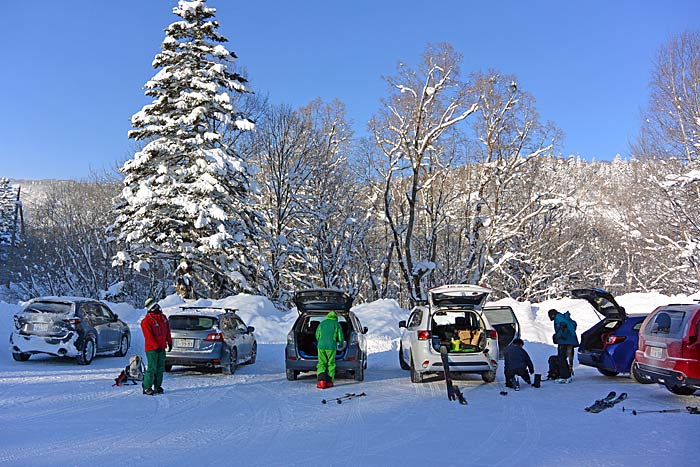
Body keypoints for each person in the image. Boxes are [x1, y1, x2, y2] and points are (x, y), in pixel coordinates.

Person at [141, 298, 173, 396]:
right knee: (152, 368)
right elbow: (148, 336)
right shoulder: (146, 321)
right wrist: (155, 346)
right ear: (151, 309)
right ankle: (146, 387)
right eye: (155, 307)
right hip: (151, 349)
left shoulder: (163, 318)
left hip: (162, 348)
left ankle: (157, 386)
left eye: (157, 305)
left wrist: (169, 342)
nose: (158, 308)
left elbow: (167, 331)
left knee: (160, 368)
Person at [315, 311, 345, 389]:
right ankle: (329, 382)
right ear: (336, 317)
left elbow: (317, 335)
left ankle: (321, 382)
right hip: (331, 346)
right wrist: (341, 344)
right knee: (331, 364)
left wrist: (320, 341)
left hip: (321, 346)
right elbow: (340, 337)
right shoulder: (337, 324)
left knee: (321, 363)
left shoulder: (322, 323)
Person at [548, 308, 579, 384]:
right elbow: (573, 324)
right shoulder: (562, 317)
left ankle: (565, 377)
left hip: (564, 341)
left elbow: (562, 328)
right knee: (564, 358)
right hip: (570, 340)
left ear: (552, 315)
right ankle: (567, 374)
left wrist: (557, 337)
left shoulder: (558, 318)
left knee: (561, 359)